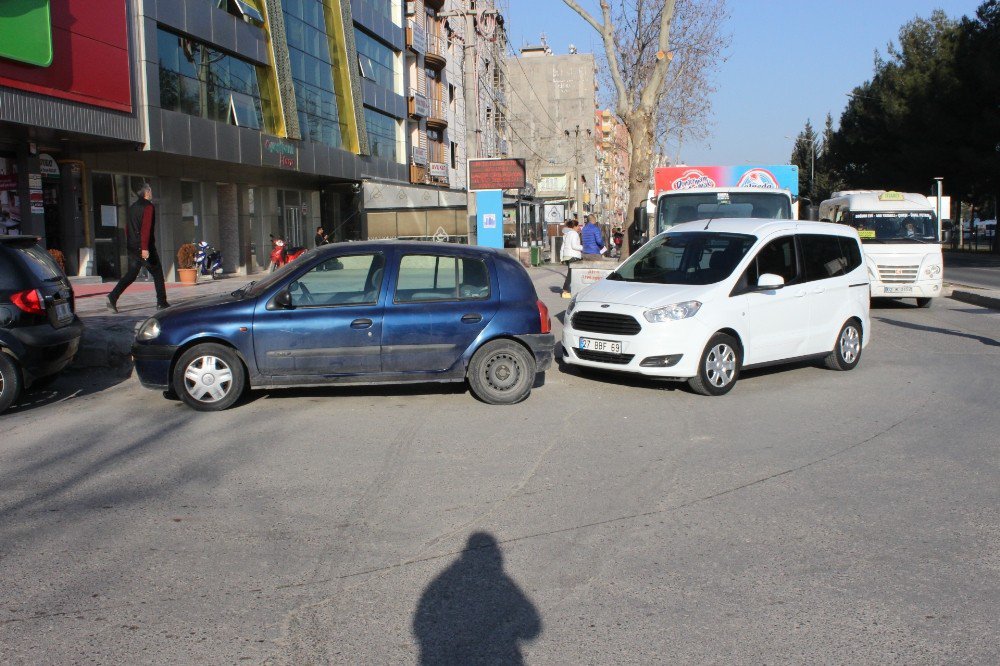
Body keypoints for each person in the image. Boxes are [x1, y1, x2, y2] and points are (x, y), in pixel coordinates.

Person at [107, 184, 169, 313]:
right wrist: (145, 248)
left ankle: (112, 297)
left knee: (131, 274)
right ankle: (161, 302)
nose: (151, 193)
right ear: (146, 192)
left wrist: (131, 243)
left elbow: (127, 228)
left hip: (133, 246)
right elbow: (145, 228)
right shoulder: (148, 207)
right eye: (150, 190)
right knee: (157, 273)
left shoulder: (132, 207)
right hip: (144, 247)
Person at [560, 218, 582, 298]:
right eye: (578, 226)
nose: (579, 227)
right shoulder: (574, 234)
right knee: (572, 275)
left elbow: (562, 247)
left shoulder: (566, 234)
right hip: (573, 256)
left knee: (570, 274)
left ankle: (567, 290)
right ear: (574, 226)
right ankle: (566, 291)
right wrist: (584, 247)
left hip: (567, 256)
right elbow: (574, 246)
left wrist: (562, 258)